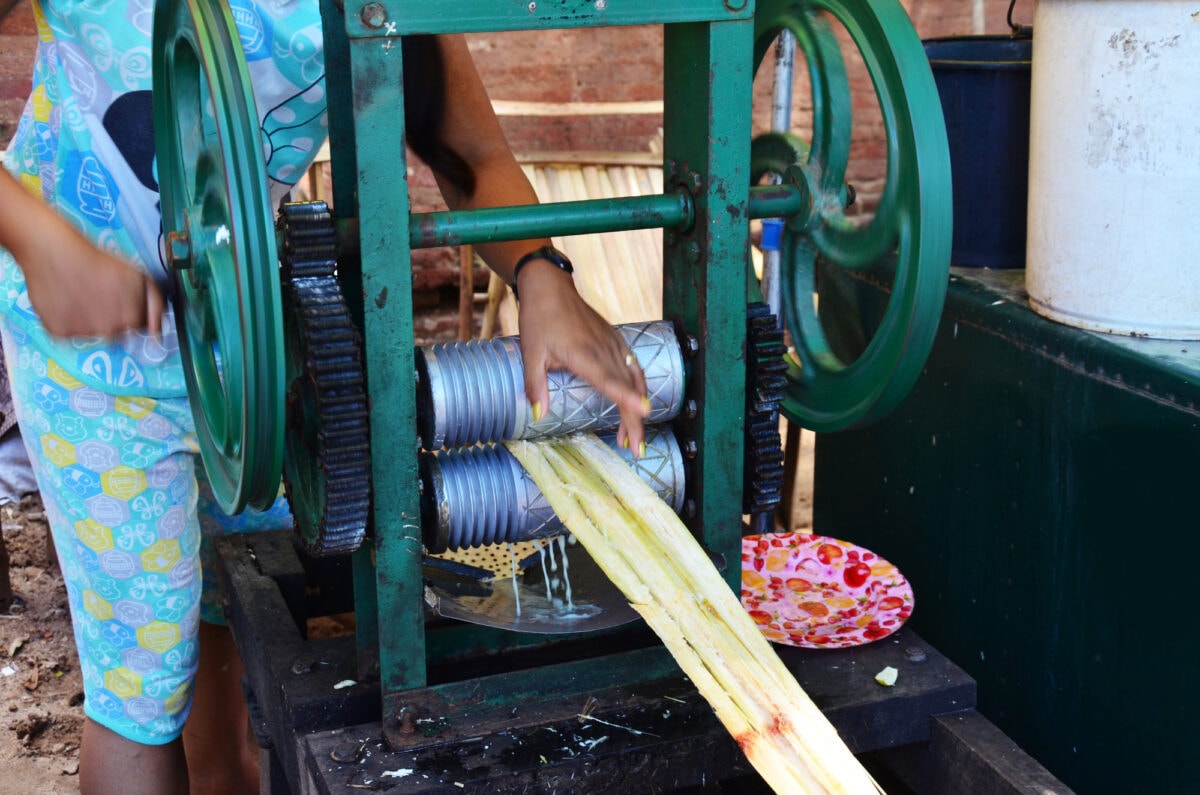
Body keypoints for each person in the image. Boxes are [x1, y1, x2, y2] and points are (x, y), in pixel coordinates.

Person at [0, 2, 648, 792]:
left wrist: (542, 274)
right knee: (139, 696)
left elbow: (467, 151)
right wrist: (36, 240)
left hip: (249, 364)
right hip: (89, 366)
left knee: (229, 630)